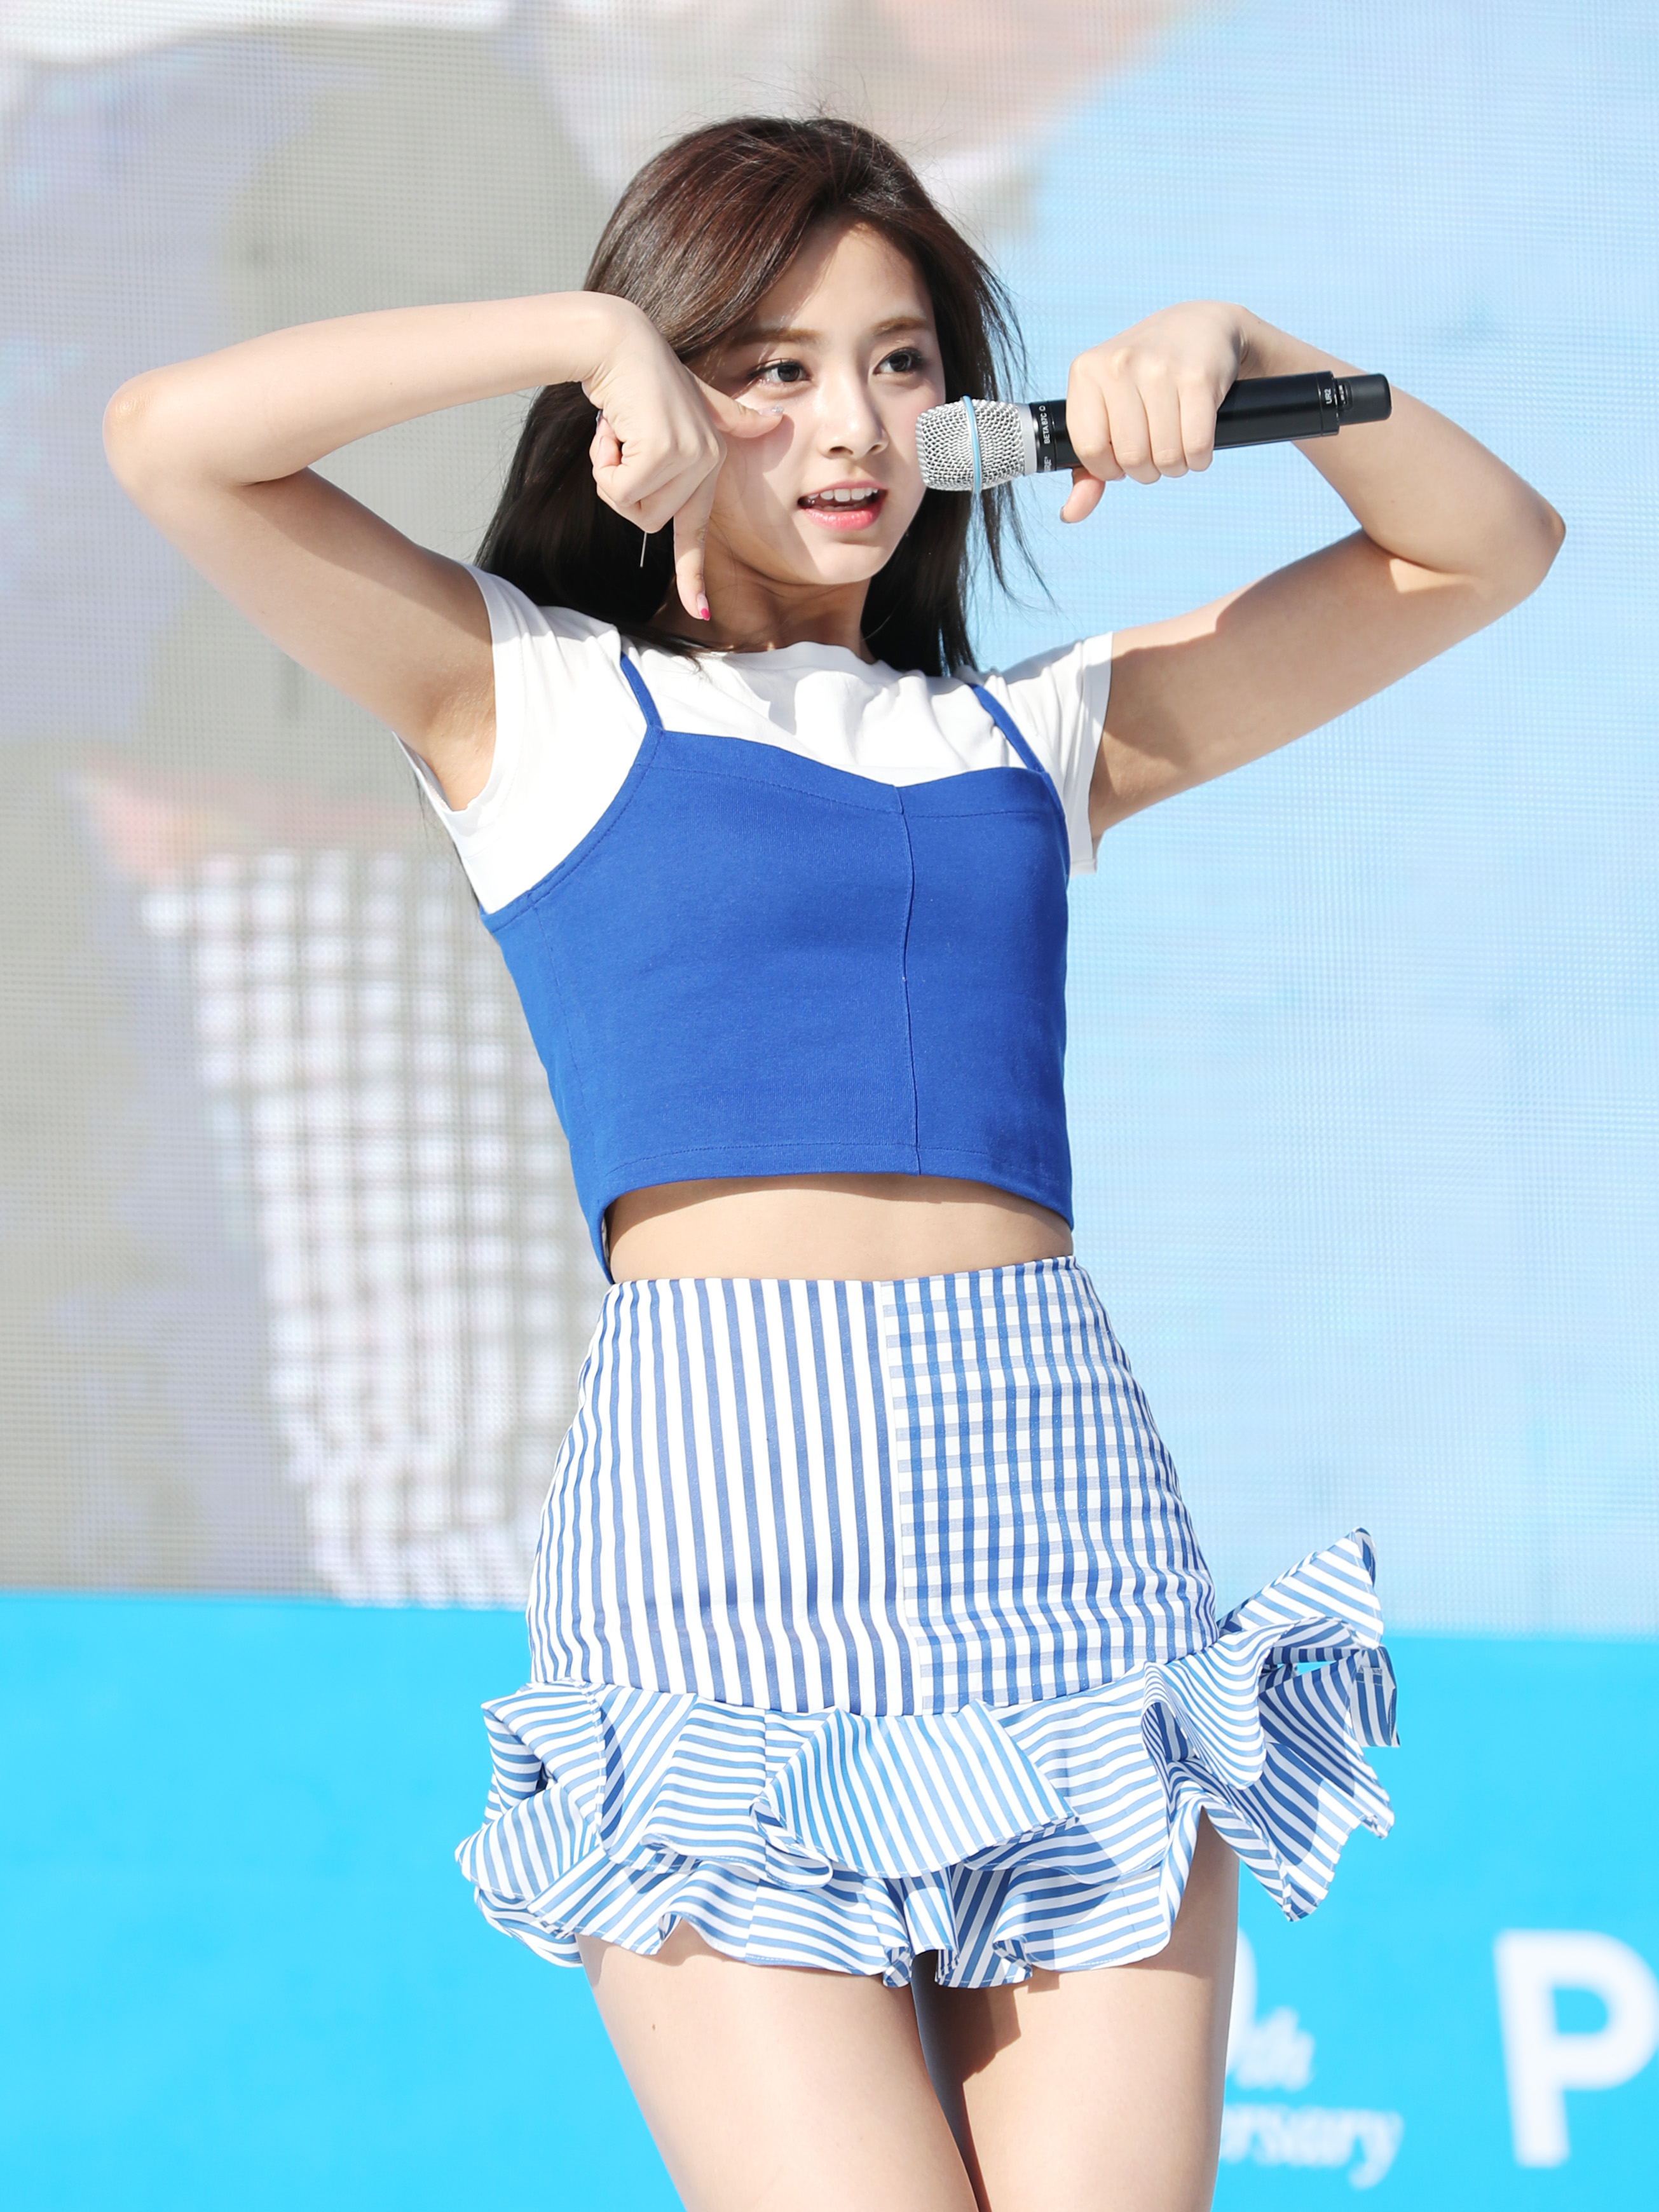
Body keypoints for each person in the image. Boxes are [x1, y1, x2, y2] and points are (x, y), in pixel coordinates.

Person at [105, 114, 1560, 2212]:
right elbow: (174, 443)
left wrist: (1251, 351)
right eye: (768, 369)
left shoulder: (1033, 731)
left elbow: (1479, 549)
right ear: (659, 396)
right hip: (718, 1540)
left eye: (898, 362)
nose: (851, 425)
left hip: (1059, 1532)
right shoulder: (535, 704)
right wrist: (579, 333)